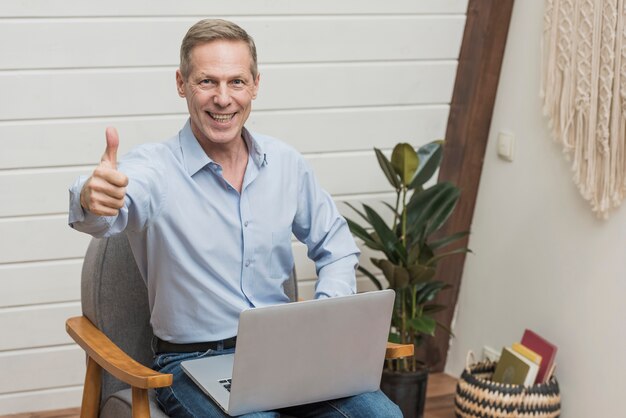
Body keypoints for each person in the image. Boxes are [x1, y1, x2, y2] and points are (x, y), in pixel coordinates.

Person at [68, 19, 402, 417]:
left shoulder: (285, 164)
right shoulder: (154, 169)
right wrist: (92, 197)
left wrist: (323, 329)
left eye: (237, 82)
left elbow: (337, 245)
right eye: (207, 81)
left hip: (285, 354)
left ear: (256, 85)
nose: (223, 98)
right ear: (181, 83)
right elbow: (107, 212)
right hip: (192, 365)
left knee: (382, 415)